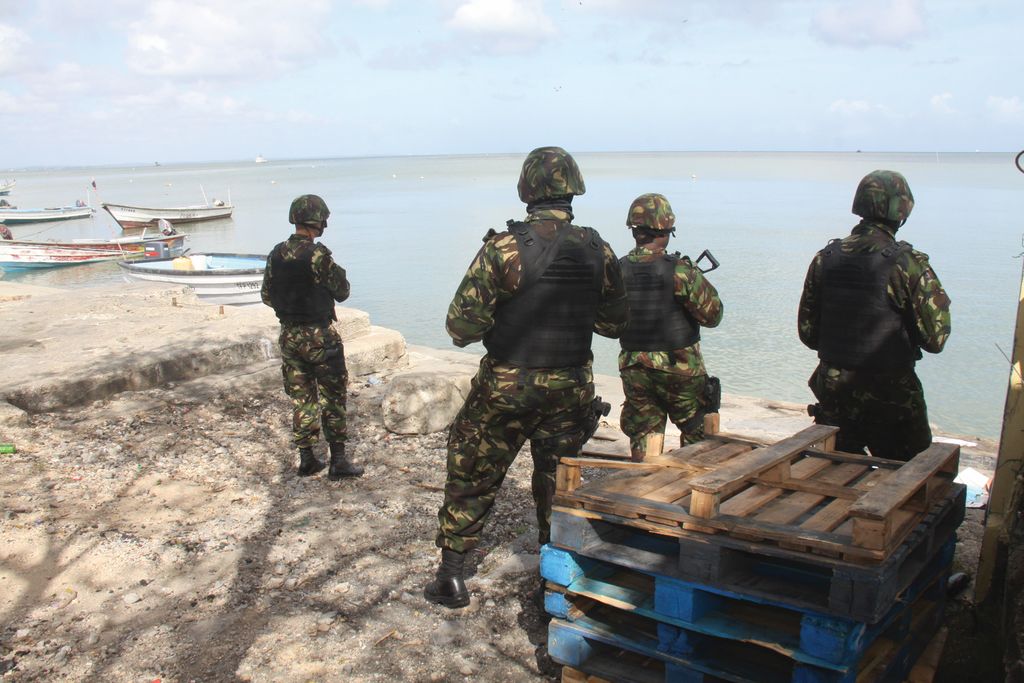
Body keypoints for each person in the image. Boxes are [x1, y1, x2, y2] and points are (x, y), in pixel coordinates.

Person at [424, 146, 629, 608]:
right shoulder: (600, 249)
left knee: (473, 469)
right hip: (570, 389)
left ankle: (452, 576)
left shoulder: (503, 249)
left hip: (506, 387)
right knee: (558, 479)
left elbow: (460, 328)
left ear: (527, 191)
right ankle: (553, 577)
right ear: (574, 189)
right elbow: (615, 325)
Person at [798, 170, 951, 461]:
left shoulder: (825, 258)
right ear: (902, 210)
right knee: (912, 480)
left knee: (837, 473)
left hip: (834, 390)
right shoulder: (907, 264)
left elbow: (808, 333)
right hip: (891, 394)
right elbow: (935, 339)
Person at [261, 194, 363, 479]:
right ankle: (338, 461)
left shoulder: (276, 253)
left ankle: (307, 459)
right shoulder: (318, 256)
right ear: (318, 221)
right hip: (320, 337)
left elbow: (267, 296)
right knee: (332, 397)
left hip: (289, 337)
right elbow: (342, 292)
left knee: (302, 398)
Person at [618, 193, 723, 461]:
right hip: (680, 368)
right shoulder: (680, 271)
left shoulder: (618, 270)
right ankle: (690, 492)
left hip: (634, 366)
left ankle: (644, 487)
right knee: (696, 433)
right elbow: (713, 316)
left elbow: (605, 320)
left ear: (635, 231)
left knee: (644, 434)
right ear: (666, 231)